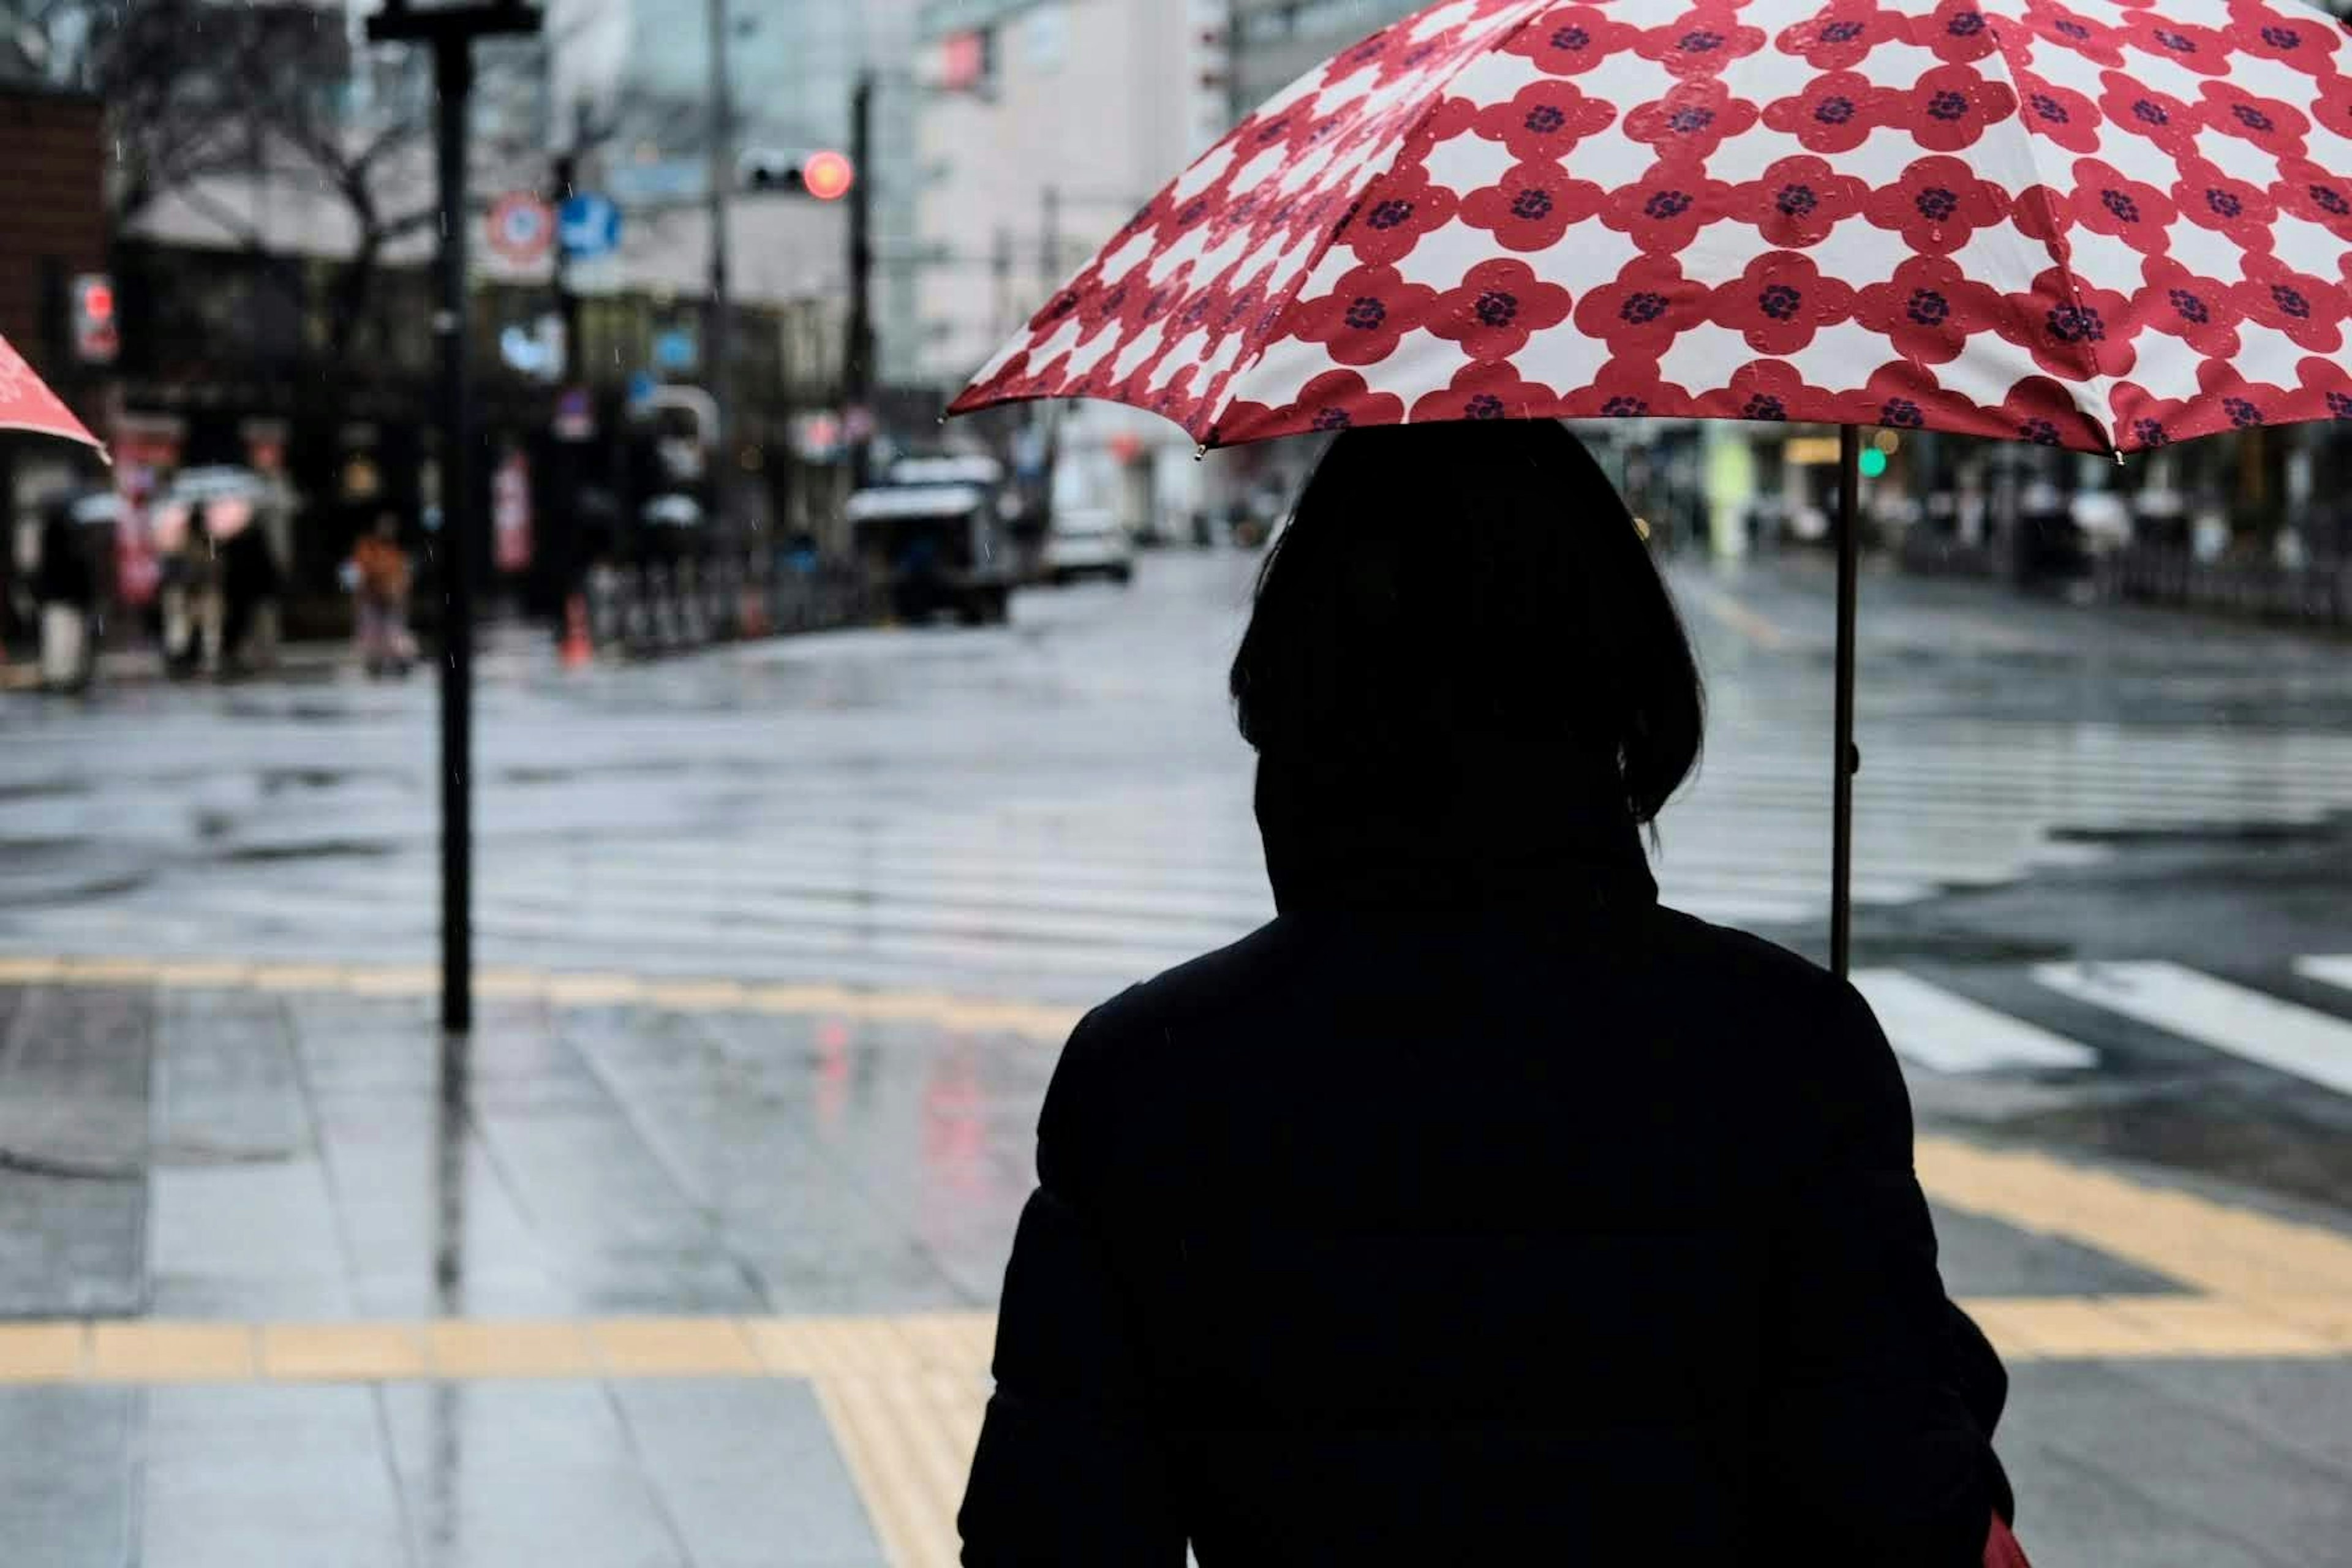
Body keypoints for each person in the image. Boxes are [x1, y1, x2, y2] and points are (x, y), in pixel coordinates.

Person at [959, 421, 2015, 1567]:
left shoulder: (1146, 1080)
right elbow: (1904, 1518)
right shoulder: (1785, 1055)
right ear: (1622, 691)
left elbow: (1052, 1536)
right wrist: (1932, 1365)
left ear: (1295, 697)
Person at [31, 494, 99, 692]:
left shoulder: (53, 540)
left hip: (59, 597)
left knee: (61, 638)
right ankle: (66, 675)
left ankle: (61, 675)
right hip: (66, 597)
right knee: (67, 638)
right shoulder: (71, 541)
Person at [349, 514, 414, 678]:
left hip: (391, 601)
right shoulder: (367, 548)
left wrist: (399, 594)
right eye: (385, 527)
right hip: (371, 600)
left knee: (395, 633)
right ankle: (375, 665)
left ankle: (400, 663)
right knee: (372, 634)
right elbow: (360, 574)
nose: (388, 531)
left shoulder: (396, 553)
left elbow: (403, 577)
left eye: (391, 528)